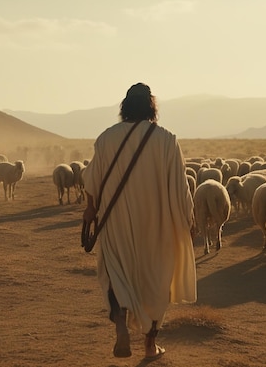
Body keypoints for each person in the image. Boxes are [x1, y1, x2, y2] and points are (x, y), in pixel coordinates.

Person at [83, 83, 196, 361]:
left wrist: (90, 210)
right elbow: (181, 187)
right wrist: (188, 219)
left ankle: (121, 325)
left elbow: (92, 181)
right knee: (156, 281)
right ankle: (149, 344)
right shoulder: (167, 140)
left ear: (124, 107)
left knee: (116, 273)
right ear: (151, 107)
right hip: (157, 226)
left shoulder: (106, 138)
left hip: (116, 223)